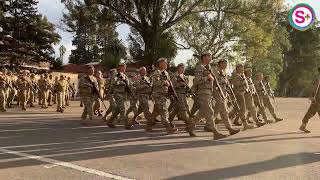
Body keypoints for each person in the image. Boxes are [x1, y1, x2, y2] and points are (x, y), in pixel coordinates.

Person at [192, 53, 226, 139]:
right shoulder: (200, 68)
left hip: (209, 92)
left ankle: (190, 127)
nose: (210, 58)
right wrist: (207, 78)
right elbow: (196, 81)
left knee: (202, 113)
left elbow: (213, 81)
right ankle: (215, 133)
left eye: (210, 56)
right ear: (204, 58)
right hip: (203, 92)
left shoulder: (209, 68)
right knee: (210, 112)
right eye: (208, 56)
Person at [149, 58, 178, 134]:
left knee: (156, 112)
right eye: (164, 63)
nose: (166, 64)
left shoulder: (166, 73)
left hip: (164, 95)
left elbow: (170, 85)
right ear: (160, 64)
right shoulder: (156, 72)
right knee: (164, 111)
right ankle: (169, 128)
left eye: (166, 63)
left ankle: (148, 125)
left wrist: (172, 93)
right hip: (158, 95)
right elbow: (154, 83)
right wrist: (163, 82)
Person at [212, 59, 241, 135]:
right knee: (221, 111)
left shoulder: (224, 72)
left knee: (220, 111)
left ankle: (229, 128)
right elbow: (214, 82)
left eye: (226, 64)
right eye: (224, 64)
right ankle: (229, 128)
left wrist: (228, 89)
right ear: (220, 64)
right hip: (217, 92)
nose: (225, 65)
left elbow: (226, 82)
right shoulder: (215, 70)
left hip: (223, 93)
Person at [168, 63, 196, 136]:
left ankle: (169, 119)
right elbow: (172, 86)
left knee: (177, 109)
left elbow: (186, 87)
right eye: (181, 68)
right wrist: (179, 85)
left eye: (184, 68)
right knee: (183, 111)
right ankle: (189, 125)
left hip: (184, 96)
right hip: (177, 95)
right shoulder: (174, 76)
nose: (183, 69)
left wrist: (190, 92)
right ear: (178, 68)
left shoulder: (184, 77)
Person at [105, 63, 133, 130]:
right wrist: (123, 83)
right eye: (121, 67)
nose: (122, 68)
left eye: (123, 67)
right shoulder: (116, 75)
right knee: (122, 108)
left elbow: (129, 84)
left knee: (118, 109)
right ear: (118, 68)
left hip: (124, 94)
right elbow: (114, 82)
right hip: (117, 93)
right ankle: (127, 124)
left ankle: (110, 121)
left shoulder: (125, 76)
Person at [230, 64, 255, 130]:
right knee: (243, 109)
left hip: (242, 93)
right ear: (237, 68)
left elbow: (246, 85)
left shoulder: (242, 76)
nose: (242, 69)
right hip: (238, 93)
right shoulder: (236, 76)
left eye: (243, 68)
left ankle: (228, 119)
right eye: (241, 68)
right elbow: (236, 84)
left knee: (237, 109)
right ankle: (245, 124)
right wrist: (243, 81)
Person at [299, 68, 320, 133]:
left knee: (310, 113)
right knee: (310, 113)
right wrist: (311, 97)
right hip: (317, 100)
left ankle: (303, 126)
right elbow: (313, 88)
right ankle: (303, 126)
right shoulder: (318, 79)